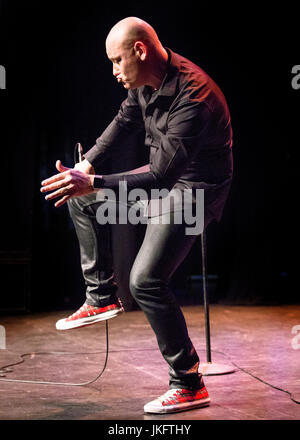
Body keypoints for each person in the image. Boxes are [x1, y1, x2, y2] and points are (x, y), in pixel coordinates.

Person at [40, 16, 233, 414]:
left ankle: (189, 382)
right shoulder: (144, 84)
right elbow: (125, 120)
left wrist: (93, 184)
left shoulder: (193, 96)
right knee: (80, 197)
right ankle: (100, 296)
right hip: (167, 182)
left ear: (139, 51)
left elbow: (163, 174)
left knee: (145, 280)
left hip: (196, 191)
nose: (113, 71)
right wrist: (89, 165)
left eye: (116, 61)